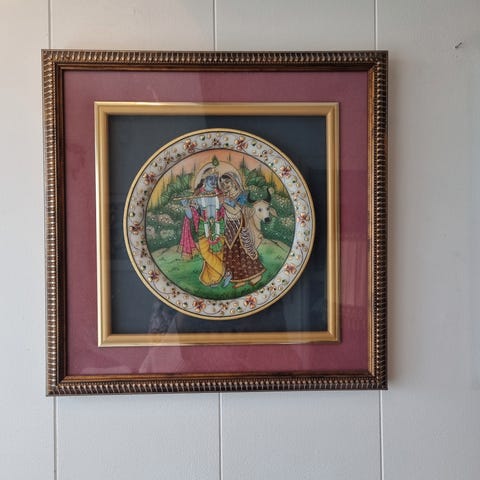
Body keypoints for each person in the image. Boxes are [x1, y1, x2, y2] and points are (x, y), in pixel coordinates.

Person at [218, 171, 265, 288]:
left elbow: (235, 211)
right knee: (231, 253)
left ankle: (256, 275)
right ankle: (239, 278)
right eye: (222, 183)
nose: (225, 185)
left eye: (227, 182)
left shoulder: (242, 195)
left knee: (243, 251)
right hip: (229, 226)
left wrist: (223, 202)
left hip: (239, 225)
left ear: (234, 182)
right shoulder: (226, 195)